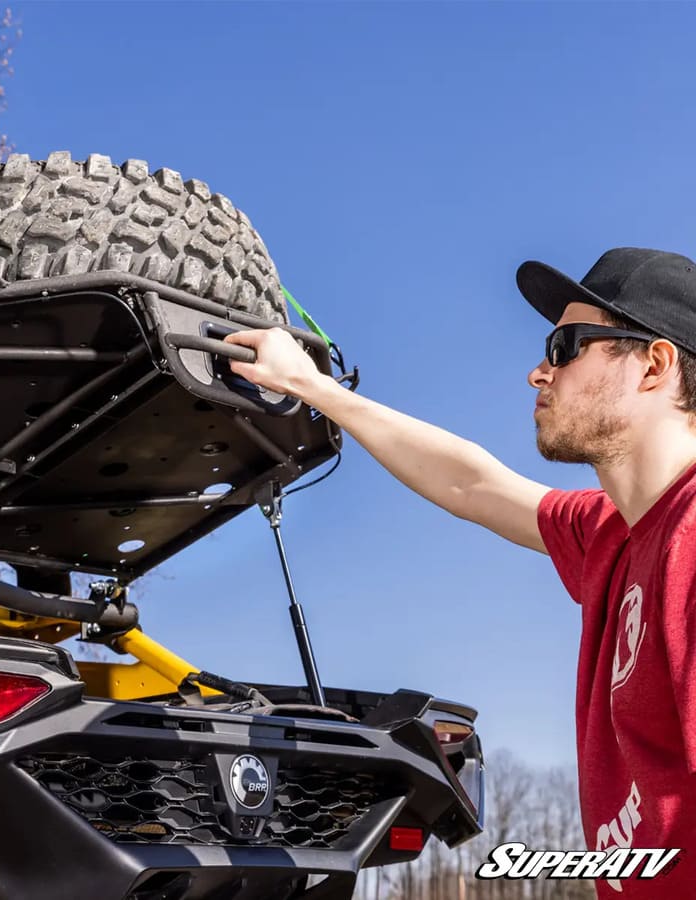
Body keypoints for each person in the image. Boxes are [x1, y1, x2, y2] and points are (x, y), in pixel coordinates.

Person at [225, 248, 696, 898]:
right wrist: (313, 387)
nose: (538, 372)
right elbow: (470, 483)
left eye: (565, 346)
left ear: (655, 365)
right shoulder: (611, 534)